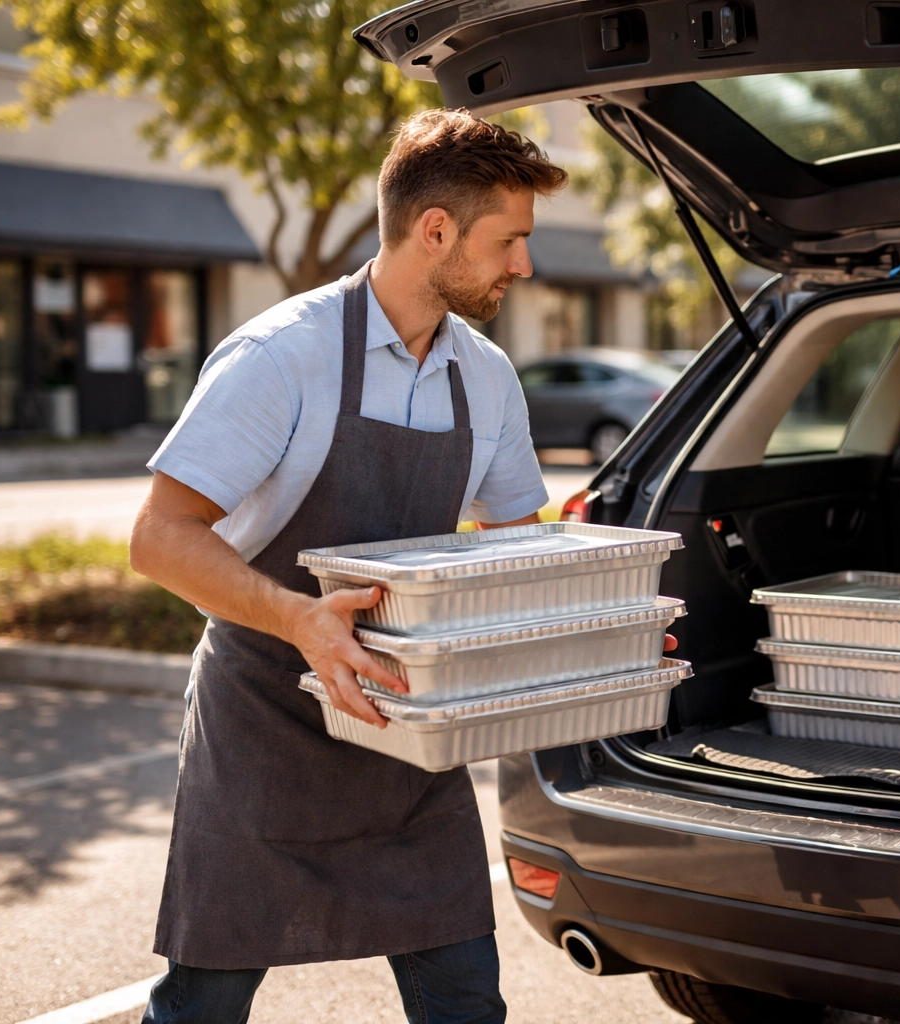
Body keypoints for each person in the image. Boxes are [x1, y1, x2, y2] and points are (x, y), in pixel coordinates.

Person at [129, 109, 571, 1024]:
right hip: (266, 728)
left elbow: (516, 547)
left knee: (463, 1001)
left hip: (411, 737)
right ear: (435, 230)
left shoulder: (486, 377)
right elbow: (160, 537)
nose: (523, 266)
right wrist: (299, 620)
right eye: (510, 240)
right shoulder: (280, 357)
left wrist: (599, 614)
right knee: (203, 1002)